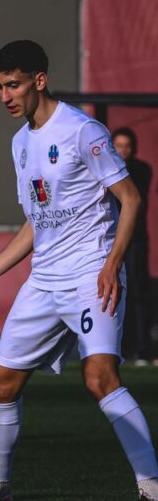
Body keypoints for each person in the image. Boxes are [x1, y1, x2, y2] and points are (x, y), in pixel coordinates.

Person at [0, 40, 158, 501]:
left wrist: (112, 264)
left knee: (100, 378)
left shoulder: (83, 131)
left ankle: (153, 493)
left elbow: (130, 198)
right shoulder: (20, 142)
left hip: (90, 275)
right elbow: (38, 221)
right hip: (44, 281)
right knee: (0, 383)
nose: (5, 96)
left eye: (13, 85)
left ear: (39, 80)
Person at [110, 127, 153, 365]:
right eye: (118, 146)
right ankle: (119, 348)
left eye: (126, 146)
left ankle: (142, 349)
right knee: (114, 292)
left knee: (137, 292)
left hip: (134, 240)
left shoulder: (140, 169)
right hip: (111, 239)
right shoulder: (106, 170)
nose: (123, 151)